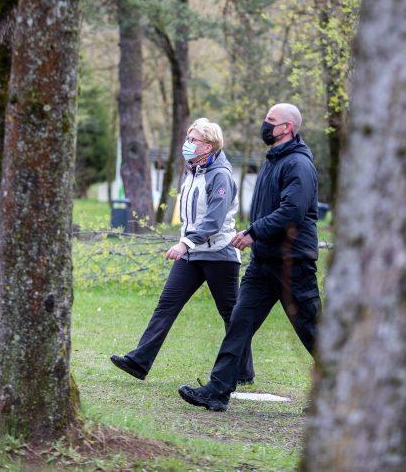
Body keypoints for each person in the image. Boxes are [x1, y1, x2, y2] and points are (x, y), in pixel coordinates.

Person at [178, 103, 322, 411]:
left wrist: (254, 231)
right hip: (264, 260)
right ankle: (217, 391)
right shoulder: (274, 160)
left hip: (291, 261)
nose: (264, 124)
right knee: (240, 323)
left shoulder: (298, 164)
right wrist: (253, 233)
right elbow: (271, 209)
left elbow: (292, 212)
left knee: (312, 330)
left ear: (287, 128)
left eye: (271, 120)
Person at [111, 117, 254, 384]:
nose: (187, 144)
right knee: (166, 306)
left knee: (231, 314)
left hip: (219, 254)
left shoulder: (220, 175)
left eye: (193, 140)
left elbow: (213, 219)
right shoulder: (193, 170)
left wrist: (185, 243)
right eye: (187, 139)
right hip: (192, 255)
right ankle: (139, 361)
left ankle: (244, 371)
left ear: (208, 146)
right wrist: (188, 244)